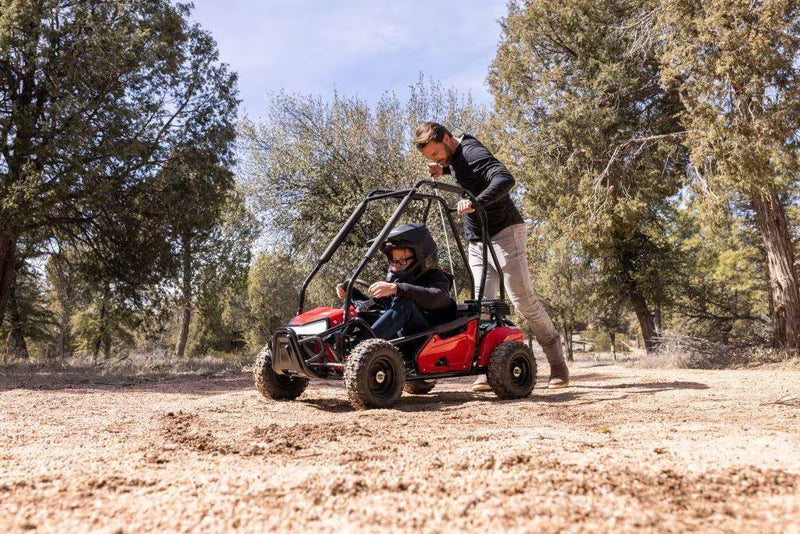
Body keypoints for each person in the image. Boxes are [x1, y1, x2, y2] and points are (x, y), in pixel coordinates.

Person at [414, 121, 569, 390]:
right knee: (483, 309)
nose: (434, 160)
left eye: (436, 154)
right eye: (430, 158)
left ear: (447, 139)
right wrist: (444, 168)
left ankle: (557, 365)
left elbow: (505, 178)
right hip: (478, 238)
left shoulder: (472, 151)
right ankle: (487, 370)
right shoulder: (457, 157)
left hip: (505, 232)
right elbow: (465, 170)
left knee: (523, 302)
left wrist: (476, 202)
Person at [337, 223, 456, 340]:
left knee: (405, 304)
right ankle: (331, 343)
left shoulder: (436, 277)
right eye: (394, 261)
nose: (397, 265)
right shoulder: (401, 280)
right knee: (356, 314)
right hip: (402, 335)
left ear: (419, 258)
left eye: (402, 261)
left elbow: (436, 297)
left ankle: (362, 349)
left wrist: (396, 288)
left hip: (427, 337)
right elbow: (377, 304)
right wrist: (352, 293)